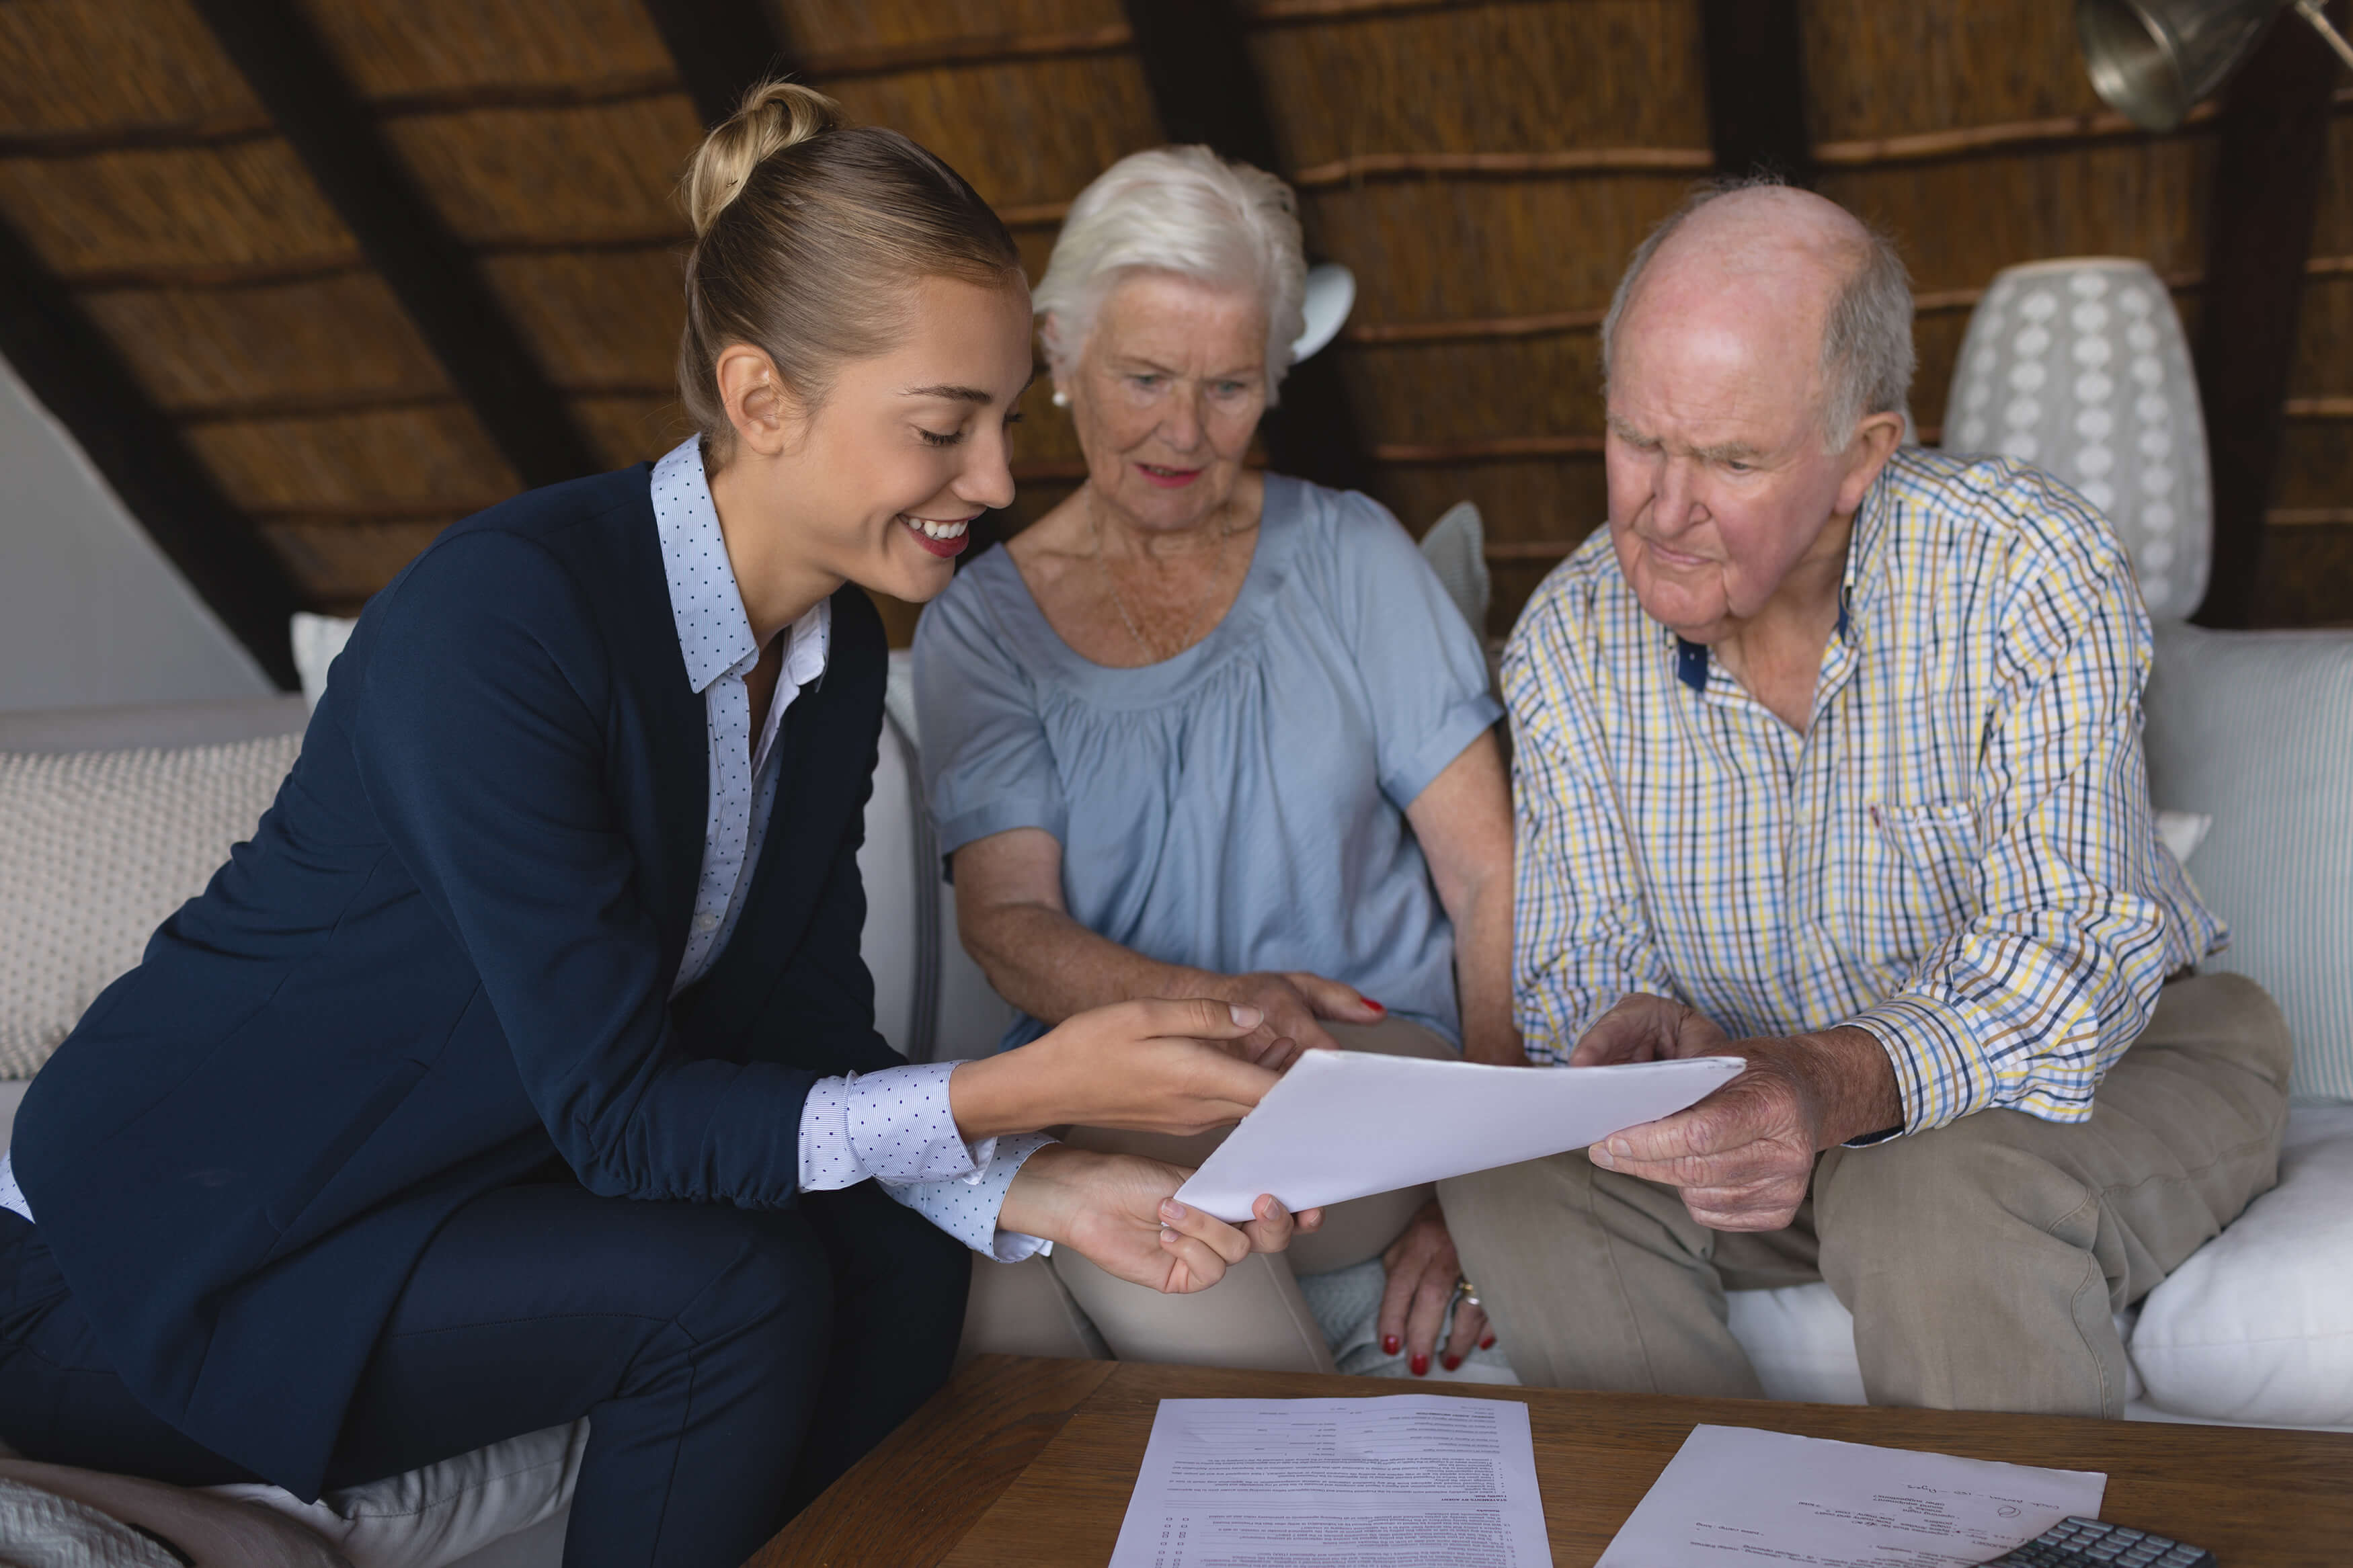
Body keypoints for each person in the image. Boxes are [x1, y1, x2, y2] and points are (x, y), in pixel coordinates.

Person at [0, 86, 1320, 1568]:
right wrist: (1010, 1096)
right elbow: (621, 1116)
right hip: (142, 1266)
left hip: (433, 1200)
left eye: (1003, 421)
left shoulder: (826, 669)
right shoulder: (503, 627)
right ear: (763, 402)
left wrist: (1040, 1184)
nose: (1000, 482)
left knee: (889, 1246)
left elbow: (797, 1046)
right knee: (723, 1291)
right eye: (945, 427)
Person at [1440, 179, 2292, 1417]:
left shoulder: (2023, 567)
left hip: (2113, 1068)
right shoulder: (1569, 638)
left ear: (1861, 457)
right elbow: (1577, 958)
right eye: (1638, 438)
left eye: (1731, 458)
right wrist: (1630, 1030)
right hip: (1756, 1104)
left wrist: (1825, 1084)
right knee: (1519, 1176)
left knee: (1926, 1192)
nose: (1661, 512)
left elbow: (2068, 951)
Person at [916, 146, 1518, 1381]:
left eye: (1230, 385)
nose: (1184, 432)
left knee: (1138, 1196)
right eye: (1143, 376)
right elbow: (1009, 922)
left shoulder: (1351, 556)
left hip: (1365, 1063)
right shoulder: (982, 626)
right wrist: (1222, 1010)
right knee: (993, 1286)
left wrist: (1496, 1168)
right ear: (1060, 357)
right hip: (1115, 1078)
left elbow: (1488, 880)